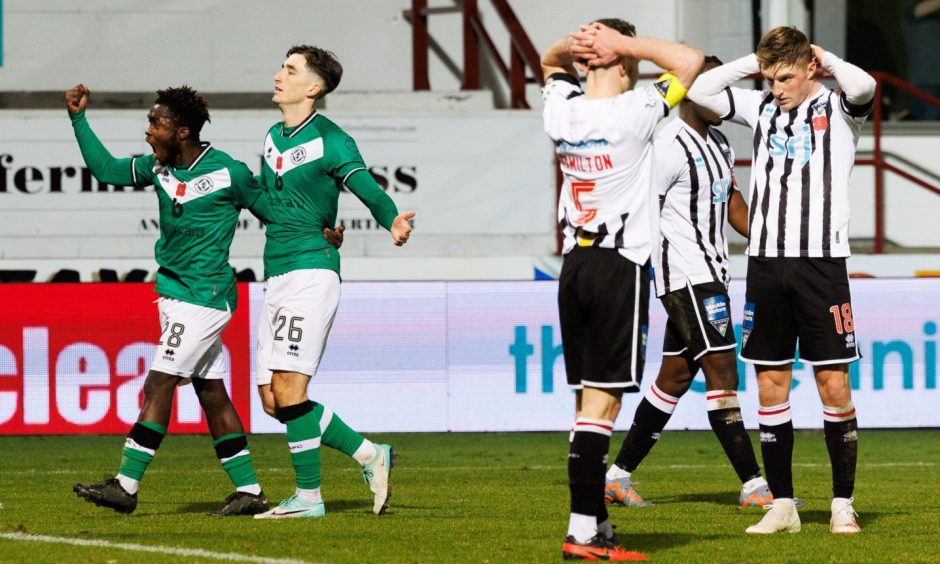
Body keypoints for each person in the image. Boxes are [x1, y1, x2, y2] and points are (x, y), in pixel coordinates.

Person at [688, 26, 876, 535]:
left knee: (833, 383)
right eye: (770, 78)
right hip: (767, 266)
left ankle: (842, 503)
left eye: (787, 76)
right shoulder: (761, 106)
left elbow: (865, 88)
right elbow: (700, 91)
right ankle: (784, 506)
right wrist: (755, 64)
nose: (777, 87)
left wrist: (825, 57)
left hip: (821, 264)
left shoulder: (837, 108)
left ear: (811, 67)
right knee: (770, 383)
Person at [68, 84, 270, 516]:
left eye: (154, 123)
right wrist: (78, 118)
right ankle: (250, 491)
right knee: (210, 390)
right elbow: (105, 169)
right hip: (174, 295)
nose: (147, 131)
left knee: (158, 383)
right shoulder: (158, 169)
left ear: (181, 132)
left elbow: (273, 210)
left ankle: (125, 485)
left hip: (205, 297)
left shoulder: (229, 172)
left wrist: (320, 232)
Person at [543, 20, 702, 559]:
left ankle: (598, 523)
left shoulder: (561, 108)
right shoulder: (635, 111)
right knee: (601, 407)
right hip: (618, 267)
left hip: (575, 265)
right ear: (625, 64)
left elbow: (549, 62)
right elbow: (691, 61)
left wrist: (575, 46)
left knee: (585, 404)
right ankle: (583, 533)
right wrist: (623, 44)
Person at [251, 45, 414, 520]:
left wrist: (391, 221)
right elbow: (276, 203)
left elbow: (364, 184)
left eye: (290, 69)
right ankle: (369, 454)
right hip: (277, 273)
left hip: (311, 273)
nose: (279, 75)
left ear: (313, 88)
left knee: (289, 391)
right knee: (272, 400)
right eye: (282, 66)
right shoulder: (271, 137)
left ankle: (308, 498)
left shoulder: (332, 139)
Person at [604, 56, 773, 511]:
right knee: (724, 375)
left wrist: (771, 234)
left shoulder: (717, 141)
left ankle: (617, 477)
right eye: (716, 90)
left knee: (674, 379)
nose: (726, 101)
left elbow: (733, 201)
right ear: (693, 92)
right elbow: (641, 209)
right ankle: (755, 487)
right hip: (685, 276)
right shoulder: (667, 145)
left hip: (713, 273)